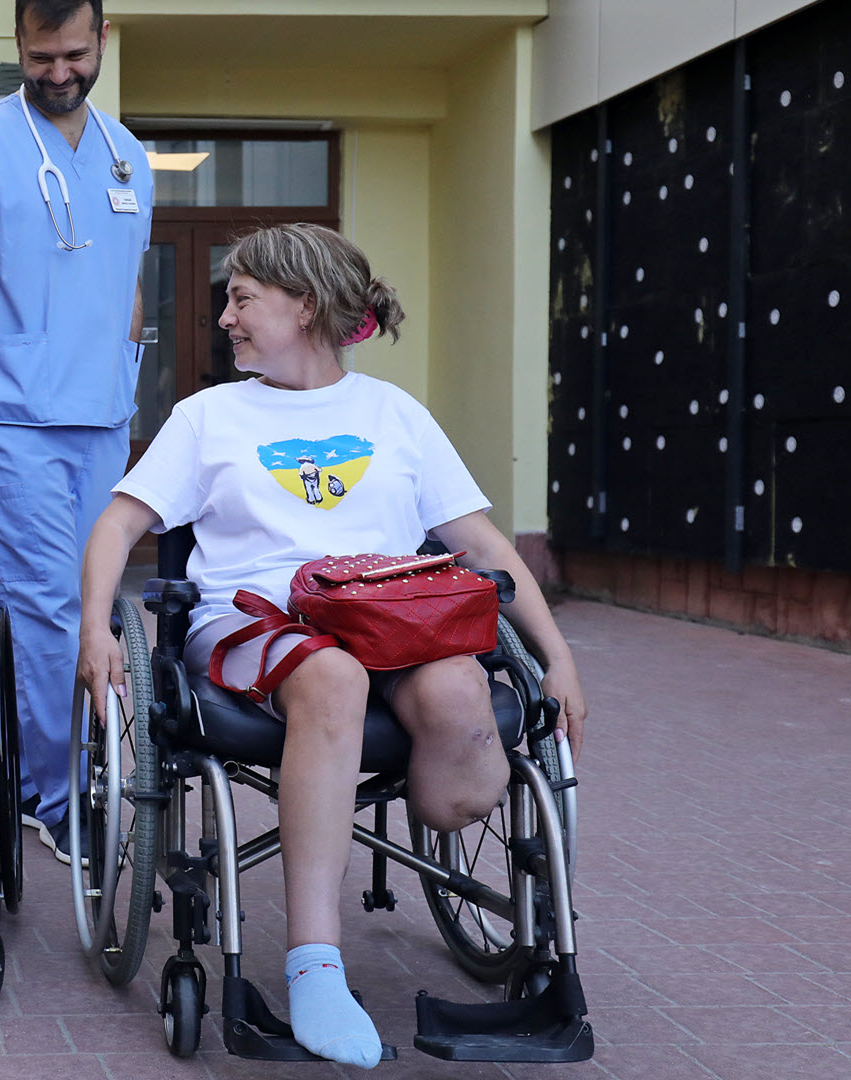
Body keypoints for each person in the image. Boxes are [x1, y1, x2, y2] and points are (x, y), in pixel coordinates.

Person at [76, 223, 587, 1069]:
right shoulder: (209, 416)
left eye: (241, 299)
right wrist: (97, 627)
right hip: (255, 623)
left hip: (393, 617)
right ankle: (315, 967)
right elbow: (119, 523)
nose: (227, 318)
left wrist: (557, 655)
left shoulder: (394, 413)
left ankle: (440, 831)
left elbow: (486, 546)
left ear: (303, 305)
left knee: (460, 692)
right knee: (333, 677)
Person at [0, 0, 152, 862]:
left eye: (75, 54)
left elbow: (127, 287)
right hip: (9, 422)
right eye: (41, 55)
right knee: (48, 609)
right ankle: (53, 797)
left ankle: (78, 770)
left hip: (102, 422)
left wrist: (126, 376)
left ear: (103, 41)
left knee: (97, 609)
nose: (59, 72)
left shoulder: (129, 154)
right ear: (16, 44)